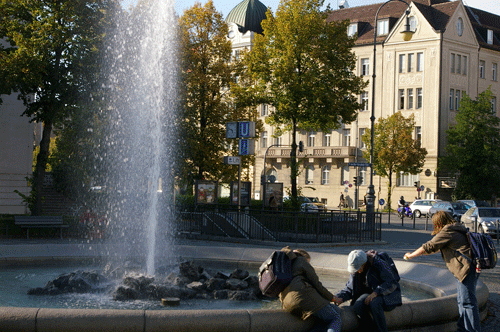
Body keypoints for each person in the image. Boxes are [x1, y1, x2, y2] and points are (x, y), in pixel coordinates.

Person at [404, 211, 481, 332]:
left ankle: (473, 330)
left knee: (467, 303)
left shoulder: (448, 231)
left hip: (466, 269)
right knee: (462, 301)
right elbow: (436, 248)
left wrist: (410, 256)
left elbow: (429, 246)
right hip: (468, 269)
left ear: (438, 222)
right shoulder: (457, 228)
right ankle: (463, 329)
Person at [333, 249, 402, 332]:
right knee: (357, 306)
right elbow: (350, 288)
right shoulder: (356, 270)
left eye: (358, 267)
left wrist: (376, 292)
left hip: (389, 294)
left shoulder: (379, 263)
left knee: (374, 303)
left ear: (364, 263)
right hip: (370, 294)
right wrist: (339, 297)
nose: (357, 271)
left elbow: (391, 282)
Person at [279, 247, 342, 332]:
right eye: (309, 262)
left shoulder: (286, 264)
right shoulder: (301, 260)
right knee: (335, 318)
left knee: (328, 315)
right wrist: (333, 298)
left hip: (287, 304)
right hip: (303, 298)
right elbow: (317, 285)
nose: (309, 264)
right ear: (304, 257)